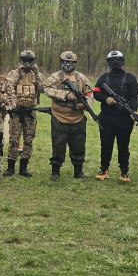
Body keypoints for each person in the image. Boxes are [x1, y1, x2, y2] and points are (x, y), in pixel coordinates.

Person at [43, 51, 94, 180]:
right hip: (59, 118)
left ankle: (78, 171)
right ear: (61, 62)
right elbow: (47, 89)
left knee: (78, 146)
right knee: (58, 146)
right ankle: (55, 171)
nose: (68, 64)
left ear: (74, 64)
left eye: (70, 62)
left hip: (78, 119)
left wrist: (86, 104)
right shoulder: (56, 77)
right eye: (65, 62)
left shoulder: (81, 78)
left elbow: (90, 93)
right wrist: (65, 95)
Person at [92, 50, 138, 183]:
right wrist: (106, 98)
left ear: (122, 61)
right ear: (108, 63)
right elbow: (95, 93)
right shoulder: (103, 78)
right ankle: (104, 169)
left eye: (118, 60)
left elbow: (134, 97)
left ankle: (124, 171)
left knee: (123, 146)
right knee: (106, 145)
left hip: (124, 119)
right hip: (106, 118)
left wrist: (133, 111)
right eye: (112, 60)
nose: (115, 62)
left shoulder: (130, 78)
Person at [4, 49, 45, 177]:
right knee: (14, 140)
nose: (27, 63)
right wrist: (19, 72)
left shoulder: (37, 74)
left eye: (30, 61)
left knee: (28, 140)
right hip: (16, 112)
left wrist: (36, 72)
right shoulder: (14, 73)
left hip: (30, 112)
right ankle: (10, 167)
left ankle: (24, 167)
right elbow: (7, 86)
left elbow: (43, 88)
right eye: (24, 60)